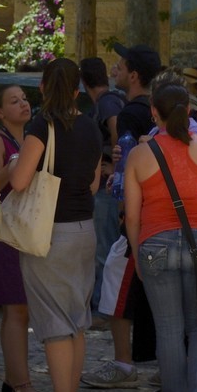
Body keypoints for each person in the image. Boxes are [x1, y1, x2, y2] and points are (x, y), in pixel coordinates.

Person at [123, 82, 197, 392]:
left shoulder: (141, 155)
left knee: (168, 331)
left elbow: (133, 216)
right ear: (189, 112)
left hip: (155, 243)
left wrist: (138, 255)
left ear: (154, 112)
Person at [8, 58, 102, 392]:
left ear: (43, 87)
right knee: (75, 321)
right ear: (77, 88)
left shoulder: (42, 126)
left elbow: (19, 181)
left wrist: (16, 160)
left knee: (55, 324)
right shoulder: (90, 127)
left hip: (50, 232)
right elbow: (93, 183)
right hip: (84, 228)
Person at [81, 43, 161, 391]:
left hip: (138, 218)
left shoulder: (130, 113)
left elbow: (127, 172)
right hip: (164, 217)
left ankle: (123, 363)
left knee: (115, 287)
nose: (115, 67)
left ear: (133, 73)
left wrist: (118, 181)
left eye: (121, 64)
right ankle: (166, 363)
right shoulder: (161, 110)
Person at [0, 83, 49, 392]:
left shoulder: (28, 139)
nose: (23, 104)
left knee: (17, 310)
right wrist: (11, 168)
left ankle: (13, 378)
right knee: (16, 308)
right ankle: (21, 385)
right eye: (14, 101)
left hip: (21, 232)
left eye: (24, 99)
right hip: (3, 233)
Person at [80, 57, 124, 314]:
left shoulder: (107, 102)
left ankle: (103, 308)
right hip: (108, 183)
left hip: (108, 188)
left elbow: (117, 130)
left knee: (104, 250)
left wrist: (115, 170)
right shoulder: (110, 99)